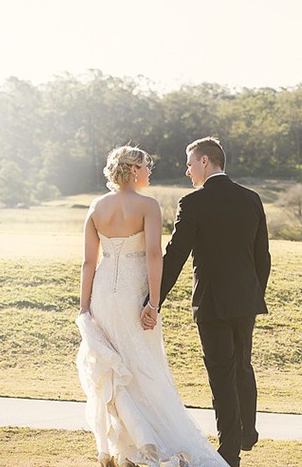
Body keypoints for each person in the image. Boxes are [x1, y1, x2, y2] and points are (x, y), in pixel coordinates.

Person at [75, 145, 227, 467]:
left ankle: (132, 447)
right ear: (132, 170)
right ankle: (147, 444)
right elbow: (153, 255)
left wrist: (84, 308)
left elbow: (89, 262)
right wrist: (153, 303)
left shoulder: (96, 207)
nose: (149, 172)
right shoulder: (148, 206)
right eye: (146, 167)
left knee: (115, 370)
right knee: (144, 369)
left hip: (102, 294)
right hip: (133, 295)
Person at [140, 137, 271, 467]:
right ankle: (247, 433)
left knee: (221, 373)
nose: (186, 171)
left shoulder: (192, 203)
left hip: (212, 303)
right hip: (245, 299)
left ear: (204, 162)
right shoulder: (251, 199)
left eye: (189, 163)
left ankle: (230, 452)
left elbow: (175, 256)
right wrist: (255, 293)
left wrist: (153, 300)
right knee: (242, 364)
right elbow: (263, 256)